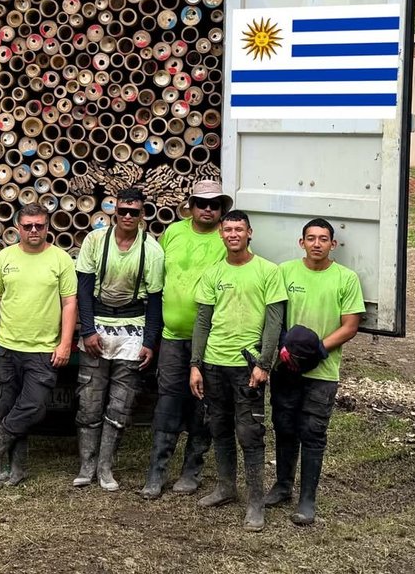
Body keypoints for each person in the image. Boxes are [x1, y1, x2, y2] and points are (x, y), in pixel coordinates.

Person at [190, 210, 286, 532]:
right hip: (214, 363)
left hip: (247, 367)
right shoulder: (213, 273)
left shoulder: (267, 271)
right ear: (221, 234)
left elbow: (274, 323)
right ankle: (226, 487)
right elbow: (202, 321)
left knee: (249, 433)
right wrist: (195, 365)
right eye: (228, 229)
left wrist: (264, 364)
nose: (233, 234)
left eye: (239, 229)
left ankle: (256, 502)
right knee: (219, 426)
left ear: (250, 233)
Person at [266, 218, 365, 526]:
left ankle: (307, 499)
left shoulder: (346, 278)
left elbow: (350, 325)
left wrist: (317, 351)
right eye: (311, 238)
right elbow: (274, 317)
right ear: (302, 242)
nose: (317, 243)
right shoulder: (285, 272)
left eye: (324, 239)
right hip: (286, 369)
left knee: (312, 432)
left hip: (322, 372)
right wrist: (284, 353)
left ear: (333, 244)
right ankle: (283, 485)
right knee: (284, 426)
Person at [140, 180, 229, 500]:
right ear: (189, 206)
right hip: (172, 337)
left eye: (215, 204)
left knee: (202, 403)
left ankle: (192, 470)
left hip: (212, 339)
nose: (208, 209)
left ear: (222, 210)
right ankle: (156, 472)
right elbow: (156, 280)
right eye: (202, 203)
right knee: (168, 400)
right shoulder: (174, 233)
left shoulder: (227, 237)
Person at [0, 204, 78, 485]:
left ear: (48, 227)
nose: (34, 230)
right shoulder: (5, 258)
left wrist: (65, 343)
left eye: (40, 225)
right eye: (28, 226)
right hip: (8, 348)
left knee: (34, 406)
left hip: (43, 349)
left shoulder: (60, 259)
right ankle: (16, 467)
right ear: (18, 228)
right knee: (8, 407)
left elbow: (70, 303)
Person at [73, 187, 165, 491]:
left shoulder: (151, 250)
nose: (127, 216)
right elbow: (83, 288)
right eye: (122, 211)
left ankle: (106, 467)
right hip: (98, 321)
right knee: (89, 398)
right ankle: (86, 465)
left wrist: (149, 341)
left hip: (132, 325)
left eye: (134, 212)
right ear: (114, 212)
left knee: (120, 402)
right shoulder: (95, 241)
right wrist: (87, 330)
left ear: (142, 215)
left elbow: (155, 300)